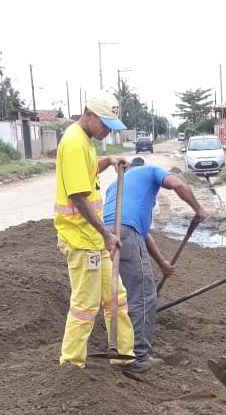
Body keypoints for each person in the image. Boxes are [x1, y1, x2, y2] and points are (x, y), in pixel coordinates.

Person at [103, 157, 208, 372]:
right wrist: (198, 209)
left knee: (125, 295)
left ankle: (123, 347)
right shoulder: (150, 171)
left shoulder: (117, 186)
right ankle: (138, 357)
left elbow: (143, 233)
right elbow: (178, 184)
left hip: (105, 235)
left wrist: (162, 263)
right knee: (143, 296)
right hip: (125, 233)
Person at [54, 91, 136, 369]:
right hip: (82, 240)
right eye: (105, 126)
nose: (107, 133)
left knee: (116, 298)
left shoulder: (86, 142)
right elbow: (77, 196)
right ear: (89, 115)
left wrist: (109, 160)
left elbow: (87, 173)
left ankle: (123, 357)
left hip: (94, 240)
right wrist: (106, 233)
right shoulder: (74, 142)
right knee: (85, 305)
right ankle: (71, 365)